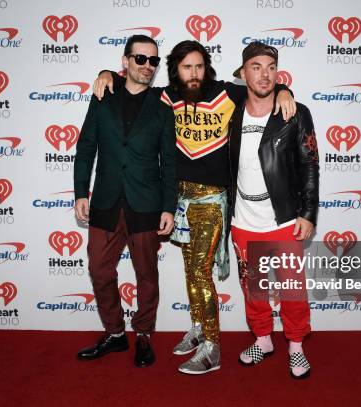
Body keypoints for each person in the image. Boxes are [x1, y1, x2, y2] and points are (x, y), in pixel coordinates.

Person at [92, 40, 296, 374]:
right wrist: (106, 74)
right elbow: (129, 86)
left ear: (207, 67)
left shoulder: (228, 93)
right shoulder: (163, 97)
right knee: (191, 270)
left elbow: (263, 88)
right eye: (187, 67)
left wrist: (285, 89)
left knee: (201, 271)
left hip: (211, 199)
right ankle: (200, 328)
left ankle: (213, 348)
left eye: (199, 66)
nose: (194, 73)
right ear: (175, 69)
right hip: (179, 200)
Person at [73, 35, 176, 368]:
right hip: (105, 198)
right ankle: (116, 334)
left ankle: (143, 335)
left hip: (146, 201)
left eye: (153, 61)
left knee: (147, 275)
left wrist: (169, 206)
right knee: (99, 270)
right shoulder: (104, 94)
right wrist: (79, 193)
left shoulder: (163, 104)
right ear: (126, 61)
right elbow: (86, 146)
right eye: (140, 59)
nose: (147, 66)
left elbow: (170, 160)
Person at [227, 42, 319, 379]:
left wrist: (308, 213)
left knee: (292, 290)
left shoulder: (295, 112)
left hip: (283, 219)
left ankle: (295, 344)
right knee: (254, 290)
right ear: (243, 73)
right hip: (242, 220)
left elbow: (310, 165)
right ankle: (263, 339)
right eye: (256, 67)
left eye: (270, 67)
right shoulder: (232, 111)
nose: (264, 74)